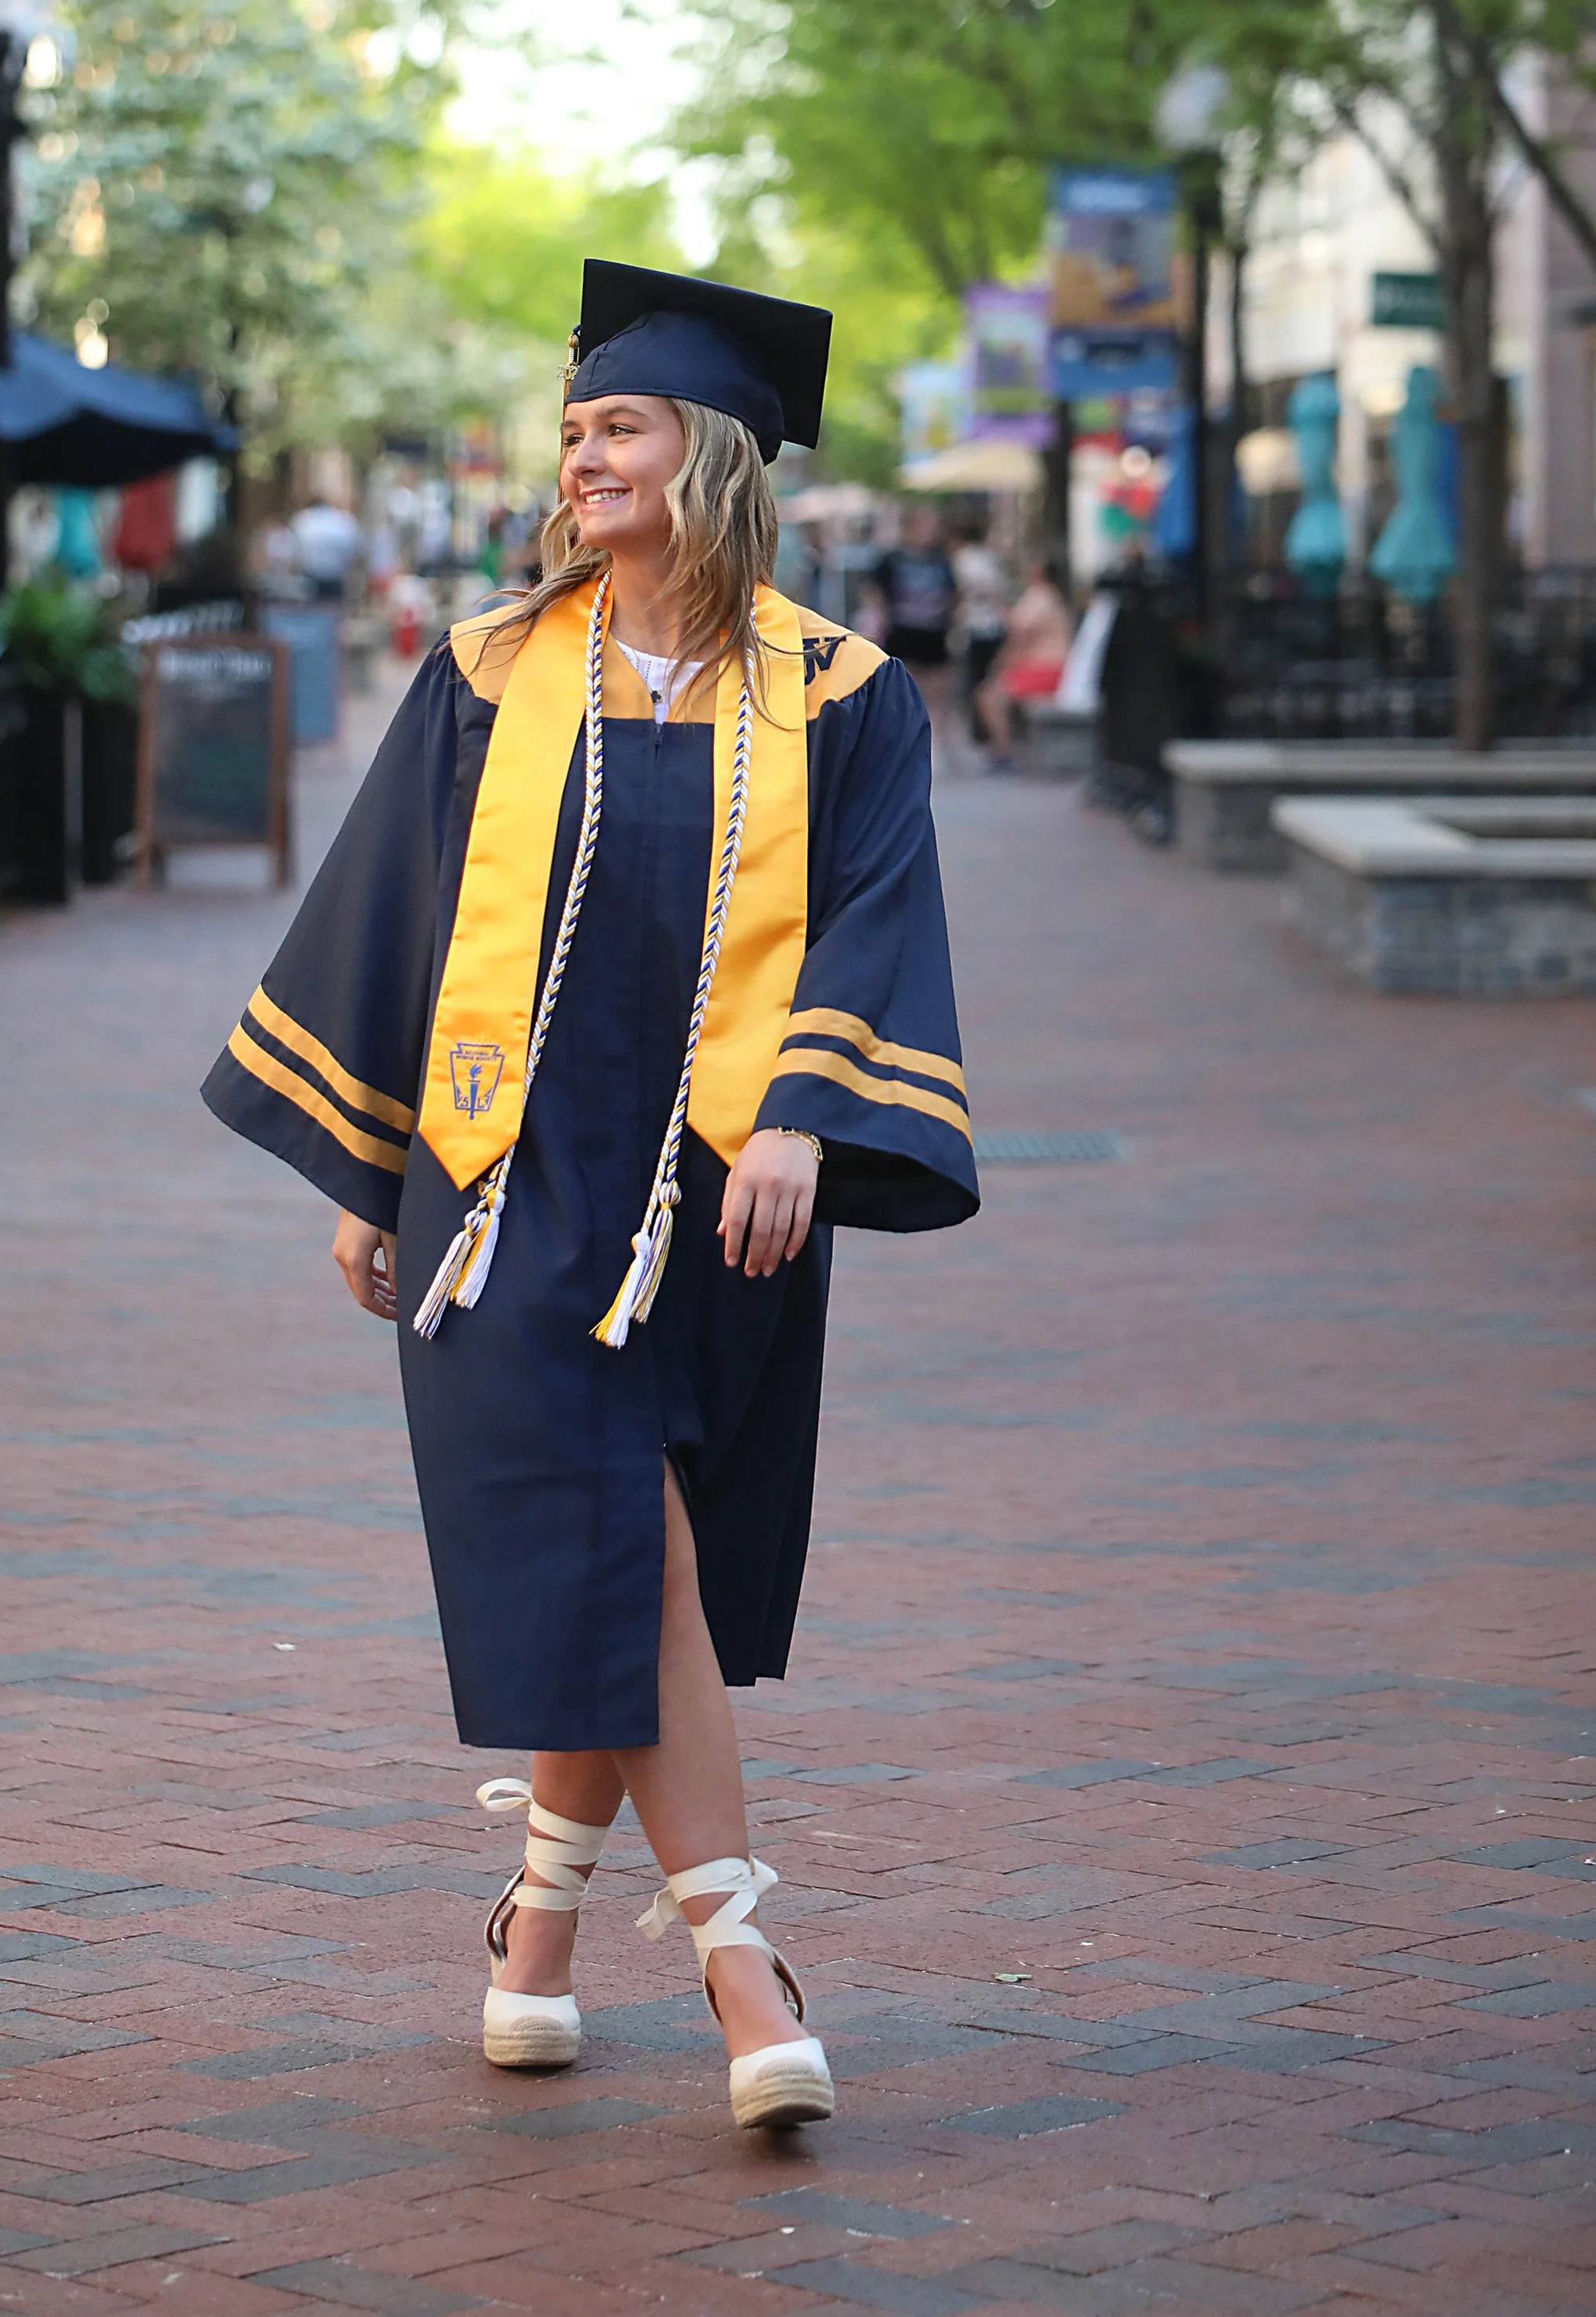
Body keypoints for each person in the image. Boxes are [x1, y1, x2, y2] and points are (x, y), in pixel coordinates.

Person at [203, 260, 979, 2133]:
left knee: (622, 1559)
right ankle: (742, 1964)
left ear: (707, 455)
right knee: (634, 1547)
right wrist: (375, 1164)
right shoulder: (486, 674)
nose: (581, 460)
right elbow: (391, 911)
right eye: (572, 432)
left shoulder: (843, 698)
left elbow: (874, 913)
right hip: (509, 1191)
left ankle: (536, 1933)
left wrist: (804, 1114)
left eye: (615, 426)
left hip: (720, 1192)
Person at [977, 556, 1073, 767]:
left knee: (991, 697)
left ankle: (1003, 752)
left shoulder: (1041, 597)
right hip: (1040, 667)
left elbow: (1019, 631)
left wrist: (1002, 663)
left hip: (1045, 669)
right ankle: (1005, 748)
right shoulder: (1049, 597)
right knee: (991, 693)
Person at [863, 502, 957, 701]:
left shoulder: (940, 559)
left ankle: (932, 726)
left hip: (934, 631)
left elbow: (952, 593)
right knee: (903, 686)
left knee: (936, 688)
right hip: (901, 630)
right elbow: (874, 591)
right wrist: (879, 621)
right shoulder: (893, 558)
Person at [951, 514, 1009, 744]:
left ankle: (984, 733)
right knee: (987, 679)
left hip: (977, 626)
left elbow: (969, 589)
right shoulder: (988, 557)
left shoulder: (964, 558)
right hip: (993, 625)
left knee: (978, 682)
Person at [289, 493, 362, 604]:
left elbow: (294, 551)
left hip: (310, 576)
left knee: (312, 612)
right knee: (333, 611)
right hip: (335, 577)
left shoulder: (302, 519)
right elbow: (356, 549)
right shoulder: (343, 520)